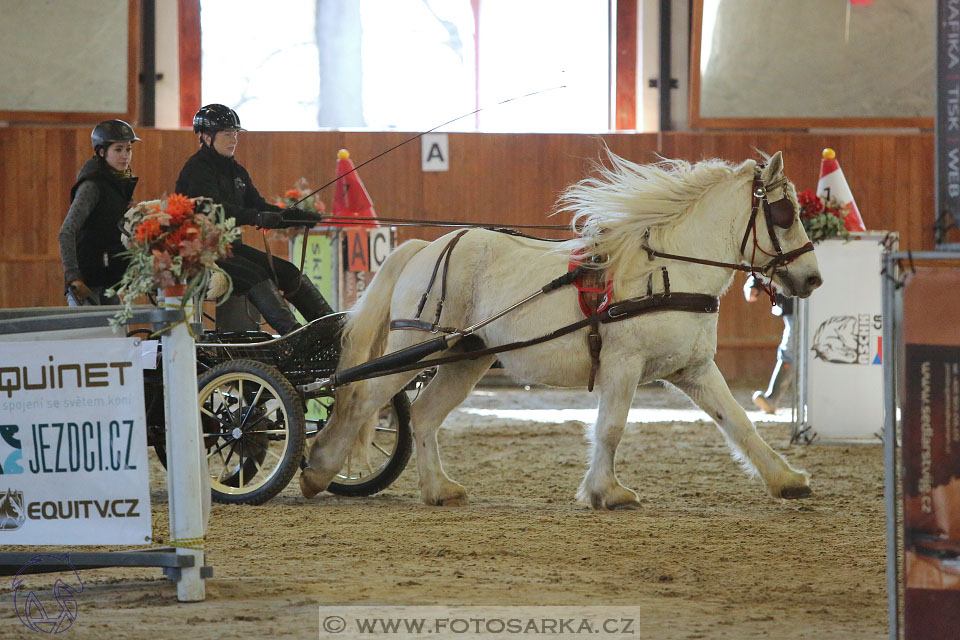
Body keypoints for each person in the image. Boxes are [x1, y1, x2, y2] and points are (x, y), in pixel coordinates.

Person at [175, 104, 332, 334]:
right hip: (202, 253)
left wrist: (296, 217)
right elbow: (216, 209)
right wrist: (256, 217)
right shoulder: (197, 169)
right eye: (227, 134)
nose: (234, 139)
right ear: (207, 137)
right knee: (255, 275)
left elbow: (259, 206)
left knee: (287, 272)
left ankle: (332, 329)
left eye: (235, 134)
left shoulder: (237, 171)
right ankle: (293, 337)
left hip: (230, 248)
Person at [58, 119, 141, 306]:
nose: (125, 156)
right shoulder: (91, 186)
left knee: (119, 333)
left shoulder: (120, 182)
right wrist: (73, 277)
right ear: (102, 152)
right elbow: (66, 232)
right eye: (118, 150)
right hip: (86, 281)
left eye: (128, 149)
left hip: (109, 280)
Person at [744, 275, 795, 414]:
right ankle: (772, 399)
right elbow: (771, 261)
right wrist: (754, 284)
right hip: (794, 303)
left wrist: (754, 284)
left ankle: (772, 399)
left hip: (801, 303)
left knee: (790, 350)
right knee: (790, 350)